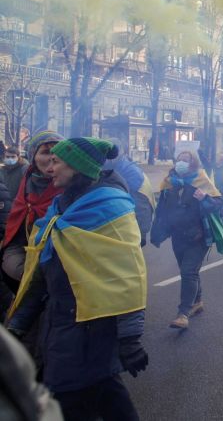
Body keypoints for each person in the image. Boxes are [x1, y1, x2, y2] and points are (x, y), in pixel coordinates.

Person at [6, 137, 148, 421]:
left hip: (91, 329)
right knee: (106, 395)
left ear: (76, 167)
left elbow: (127, 276)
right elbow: (43, 276)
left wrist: (130, 337)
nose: (51, 168)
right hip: (62, 325)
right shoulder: (60, 208)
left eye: (57, 162)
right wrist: (17, 326)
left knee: (70, 398)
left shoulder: (111, 210)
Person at [150, 151, 223, 329]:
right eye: (179, 159)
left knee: (188, 272)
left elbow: (219, 204)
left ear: (193, 163)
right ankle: (197, 301)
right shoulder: (170, 182)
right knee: (188, 271)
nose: (181, 162)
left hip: (198, 236)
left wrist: (205, 198)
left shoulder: (201, 179)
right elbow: (161, 209)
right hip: (178, 236)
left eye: (186, 159)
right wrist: (157, 230)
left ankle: (183, 313)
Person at [1, 131, 64, 294]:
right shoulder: (26, 186)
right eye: (45, 152)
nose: (52, 157)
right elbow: (15, 239)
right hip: (27, 273)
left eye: (58, 152)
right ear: (33, 157)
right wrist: (21, 269)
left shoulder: (73, 188)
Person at [102, 140, 155, 247]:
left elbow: (139, 204)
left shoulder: (131, 173)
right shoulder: (111, 167)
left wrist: (140, 232)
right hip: (120, 226)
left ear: (121, 152)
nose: (108, 155)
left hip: (132, 227)